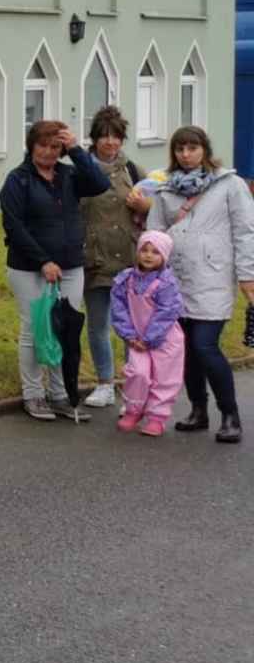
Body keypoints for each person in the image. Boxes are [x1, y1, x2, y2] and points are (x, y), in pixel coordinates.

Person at [144, 126, 252, 444]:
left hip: (213, 276)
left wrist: (248, 275)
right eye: (180, 149)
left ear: (204, 149)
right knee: (187, 349)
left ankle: (230, 415)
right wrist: (150, 276)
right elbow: (155, 234)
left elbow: (246, 232)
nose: (186, 154)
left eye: (192, 148)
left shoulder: (229, 185)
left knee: (205, 346)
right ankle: (198, 410)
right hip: (174, 280)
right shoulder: (164, 189)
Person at [0, 120, 109, 422]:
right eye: (43, 145)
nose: (49, 152)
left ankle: (61, 394)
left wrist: (76, 149)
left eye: (55, 147)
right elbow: (14, 225)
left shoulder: (69, 175)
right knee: (35, 330)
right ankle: (33, 394)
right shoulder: (18, 180)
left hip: (72, 266)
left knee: (66, 331)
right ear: (32, 146)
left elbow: (100, 183)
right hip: (29, 268)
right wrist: (42, 261)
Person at [78, 106, 152, 410]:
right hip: (94, 258)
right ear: (94, 139)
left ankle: (133, 385)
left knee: (132, 327)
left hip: (130, 259)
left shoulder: (133, 170)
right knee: (98, 324)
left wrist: (143, 206)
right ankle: (105, 383)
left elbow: (156, 209)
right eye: (104, 136)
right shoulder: (79, 169)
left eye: (116, 136)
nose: (110, 142)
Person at [109, 230, 185, 437]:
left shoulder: (166, 283)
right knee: (138, 372)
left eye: (155, 252)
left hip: (164, 339)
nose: (149, 255)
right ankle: (134, 410)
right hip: (136, 339)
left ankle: (157, 417)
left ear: (165, 256)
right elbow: (119, 308)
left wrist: (149, 338)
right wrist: (130, 335)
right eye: (145, 250)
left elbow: (166, 313)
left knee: (164, 377)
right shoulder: (126, 279)